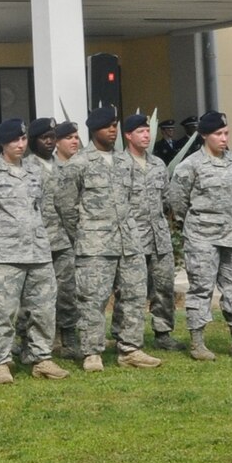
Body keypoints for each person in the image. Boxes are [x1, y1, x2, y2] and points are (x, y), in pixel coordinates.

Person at [0, 118, 68, 383]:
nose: (21, 145)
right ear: (4, 143)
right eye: (15, 140)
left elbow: (41, 208)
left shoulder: (34, 171)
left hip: (37, 253)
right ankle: (0, 362)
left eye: (24, 139)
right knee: (2, 311)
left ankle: (41, 358)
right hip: (4, 255)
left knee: (44, 309)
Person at [63, 106, 160, 372]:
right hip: (95, 245)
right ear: (94, 130)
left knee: (133, 295)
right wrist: (86, 233)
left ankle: (130, 348)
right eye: (107, 126)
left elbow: (132, 201)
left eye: (115, 125)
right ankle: (92, 352)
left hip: (128, 242)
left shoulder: (125, 162)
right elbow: (66, 207)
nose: (112, 130)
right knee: (92, 299)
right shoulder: (79, 164)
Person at [168, 111, 232, 361]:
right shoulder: (190, 165)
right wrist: (193, 224)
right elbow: (177, 201)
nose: (224, 138)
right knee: (201, 288)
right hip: (203, 237)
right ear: (204, 135)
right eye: (218, 134)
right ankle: (197, 342)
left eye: (226, 133)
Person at [125, 113, 180, 350]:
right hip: (132, 239)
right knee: (131, 292)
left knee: (164, 287)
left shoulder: (158, 164)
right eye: (140, 131)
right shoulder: (119, 165)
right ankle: (126, 336)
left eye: (148, 131)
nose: (146, 135)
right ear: (128, 135)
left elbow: (167, 200)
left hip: (159, 239)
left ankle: (163, 333)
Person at [30, 117, 83, 359]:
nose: (50, 142)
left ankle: (69, 337)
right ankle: (34, 341)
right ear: (34, 141)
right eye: (44, 138)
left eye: (52, 137)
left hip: (63, 240)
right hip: (36, 243)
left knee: (67, 292)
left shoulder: (66, 166)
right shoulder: (27, 167)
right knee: (36, 295)